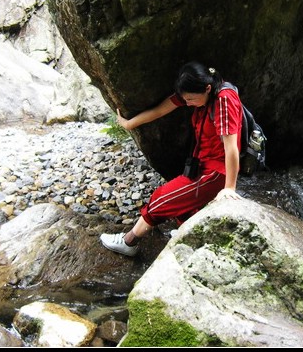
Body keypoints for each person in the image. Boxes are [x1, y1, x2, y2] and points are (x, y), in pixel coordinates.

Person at [100, 61, 243, 256]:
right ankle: (193, 238)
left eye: (191, 99)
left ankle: (129, 242)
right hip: (201, 164)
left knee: (161, 198)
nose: (188, 104)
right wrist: (129, 124)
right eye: (185, 100)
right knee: (183, 206)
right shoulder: (196, 92)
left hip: (217, 172)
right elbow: (160, 110)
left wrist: (229, 188)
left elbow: (231, 146)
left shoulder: (224, 100)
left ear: (207, 88)